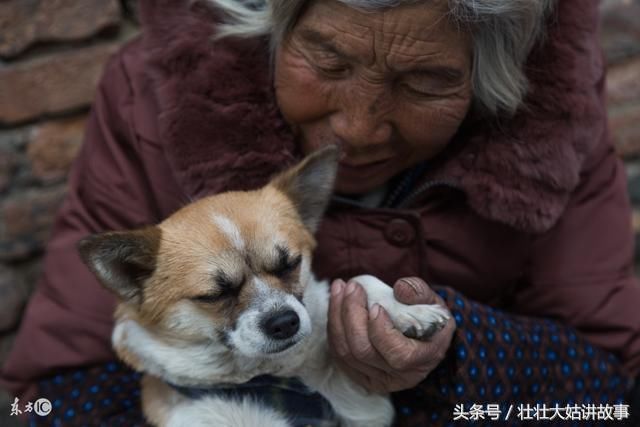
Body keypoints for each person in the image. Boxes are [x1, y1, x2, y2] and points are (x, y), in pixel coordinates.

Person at [2, 0, 639, 425]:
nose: (357, 129)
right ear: (272, 24)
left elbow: (612, 401)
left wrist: (455, 357)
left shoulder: (553, 131)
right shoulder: (148, 103)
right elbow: (41, 405)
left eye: (423, 83)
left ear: (490, 77)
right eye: (329, 63)